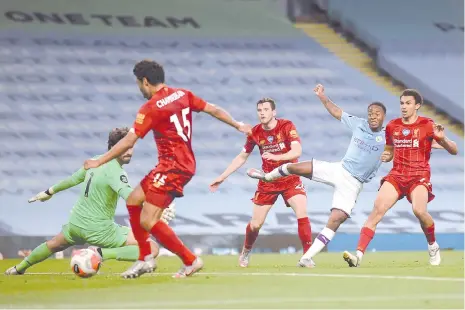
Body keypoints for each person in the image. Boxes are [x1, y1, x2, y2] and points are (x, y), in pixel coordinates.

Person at [83, 60, 251, 279]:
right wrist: (238, 124)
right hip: (178, 163)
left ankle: (190, 260)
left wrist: (99, 161)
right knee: (133, 199)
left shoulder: (150, 108)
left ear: (145, 81)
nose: (139, 89)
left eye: (138, 84)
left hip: (173, 167)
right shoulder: (183, 94)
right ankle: (145, 258)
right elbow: (214, 109)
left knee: (148, 220)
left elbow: (128, 141)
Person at [248, 84, 387, 267]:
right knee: (295, 167)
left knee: (336, 219)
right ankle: (267, 176)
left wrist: (438, 141)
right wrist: (322, 97)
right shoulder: (359, 124)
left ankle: (307, 257)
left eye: (377, 113)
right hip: (339, 169)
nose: (372, 116)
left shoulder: (388, 136)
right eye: (370, 113)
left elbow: (407, 146)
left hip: (353, 184)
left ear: (383, 116)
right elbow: (337, 111)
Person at [5, 127, 175, 275]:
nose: (129, 151)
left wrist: (49, 191)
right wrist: (154, 207)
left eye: (131, 147)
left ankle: (19, 268)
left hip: (76, 225)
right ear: (115, 147)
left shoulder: (96, 160)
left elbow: (73, 179)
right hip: (100, 230)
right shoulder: (116, 171)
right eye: (126, 148)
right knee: (152, 248)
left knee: (53, 244)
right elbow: (130, 197)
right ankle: (100, 253)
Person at [343, 89, 458, 267]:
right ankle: (358, 255)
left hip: (419, 175)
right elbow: (389, 149)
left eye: (408, 103)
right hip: (397, 175)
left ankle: (433, 245)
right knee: (376, 211)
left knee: (419, 211)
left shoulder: (427, 125)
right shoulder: (392, 126)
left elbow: (454, 150)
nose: (404, 107)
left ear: (417, 105)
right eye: (402, 103)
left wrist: (442, 140)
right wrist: (387, 156)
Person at [210, 98, 311, 267]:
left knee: (302, 212)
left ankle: (307, 256)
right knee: (256, 224)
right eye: (259, 110)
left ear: (274, 112)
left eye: (265, 109)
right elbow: (242, 156)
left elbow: (297, 150)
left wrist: (277, 157)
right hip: (268, 181)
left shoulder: (286, 126)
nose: (262, 113)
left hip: (290, 177)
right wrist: (223, 176)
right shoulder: (255, 132)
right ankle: (246, 251)